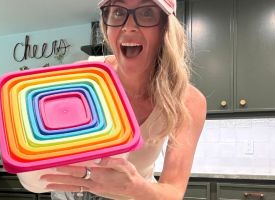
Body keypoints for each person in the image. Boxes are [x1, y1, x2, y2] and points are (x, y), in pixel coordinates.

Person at [18, 0, 206, 199]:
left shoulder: (188, 101)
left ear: (166, 28)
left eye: (147, 12)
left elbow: (173, 192)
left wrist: (135, 187)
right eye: (117, 12)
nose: (128, 25)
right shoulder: (83, 77)